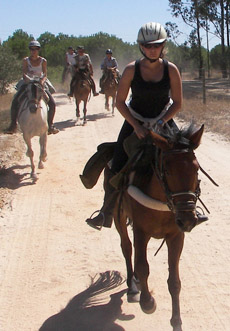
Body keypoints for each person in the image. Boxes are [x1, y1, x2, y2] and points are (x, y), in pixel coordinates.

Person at [85, 22, 184, 230]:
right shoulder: (131, 70)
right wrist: (136, 126)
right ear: (141, 46)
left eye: (156, 45)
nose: (152, 49)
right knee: (118, 163)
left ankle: (190, 207)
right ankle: (106, 211)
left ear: (163, 46)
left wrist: (161, 121)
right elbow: (120, 102)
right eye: (147, 45)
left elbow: (177, 103)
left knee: (184, 157)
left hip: (162, 122)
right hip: (135, 122)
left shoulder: (171, 70)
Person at [5, 40, 59, 135]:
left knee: (52, 103)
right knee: (15, 100)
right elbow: (24, 73)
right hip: (28, 81)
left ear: (38, 50)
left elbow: (45, 74)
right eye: (32, 49)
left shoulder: (43, 61)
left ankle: (50, 125)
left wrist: (42, 82)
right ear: (30, 50)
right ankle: (13, 124)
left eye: (36, 49)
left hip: (40, 82)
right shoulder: (26, 60)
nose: (33, 51)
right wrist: (28, 81)